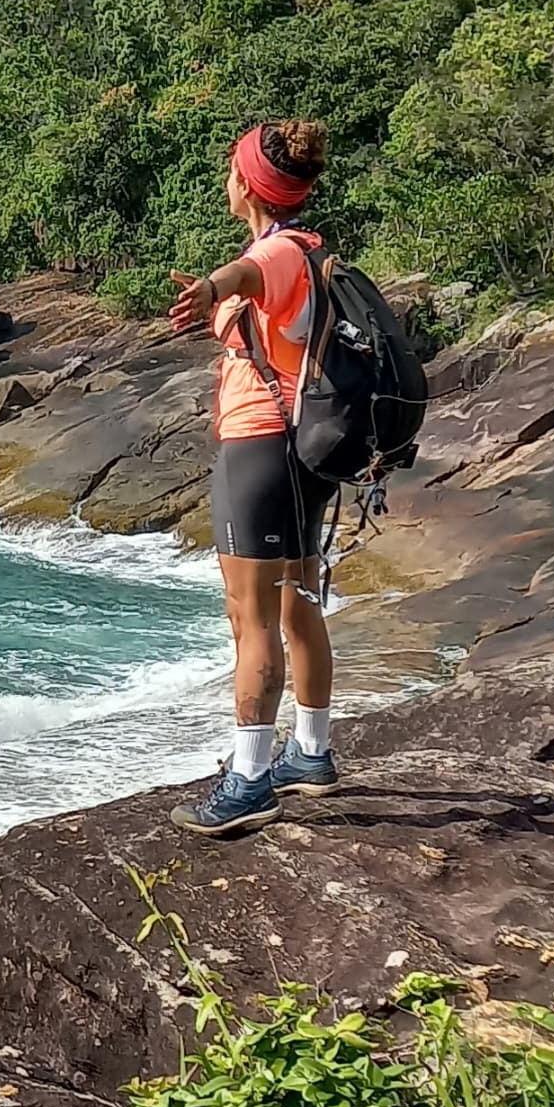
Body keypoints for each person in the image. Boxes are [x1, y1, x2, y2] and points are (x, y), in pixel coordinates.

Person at [168, 119, 340, 834]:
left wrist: (212, 286)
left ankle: (248, 780)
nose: (227, 179)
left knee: (251, 618)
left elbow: (243, 278)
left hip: (260, 449)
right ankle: (311, 752)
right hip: (301, 447)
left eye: (232, 170)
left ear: (250, 184)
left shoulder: (272, 253)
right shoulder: (311, 248)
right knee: (298, 600)